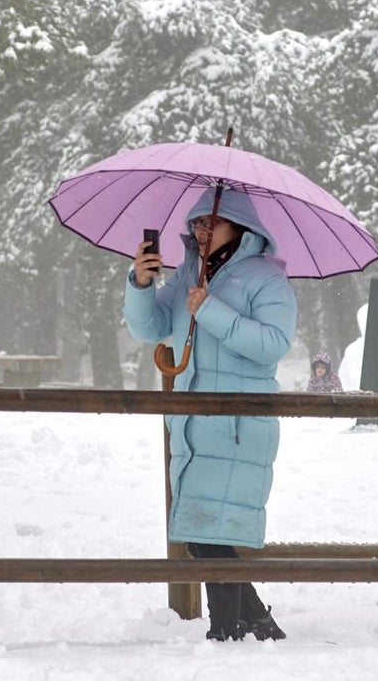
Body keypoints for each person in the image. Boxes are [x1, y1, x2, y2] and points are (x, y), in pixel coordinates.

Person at [123, 187, 296, 642]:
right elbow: (151, 327)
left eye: (210, 223)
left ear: (239, 227)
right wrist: (142, 284)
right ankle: (255, 622)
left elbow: (272, 346)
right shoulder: (186, 276)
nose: (200, 232)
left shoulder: (267, 279)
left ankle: (226, 631)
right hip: (192, 423)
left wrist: (212, 310)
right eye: (196, 224)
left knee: (208, 531)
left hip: (238, 426)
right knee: (199, 527)